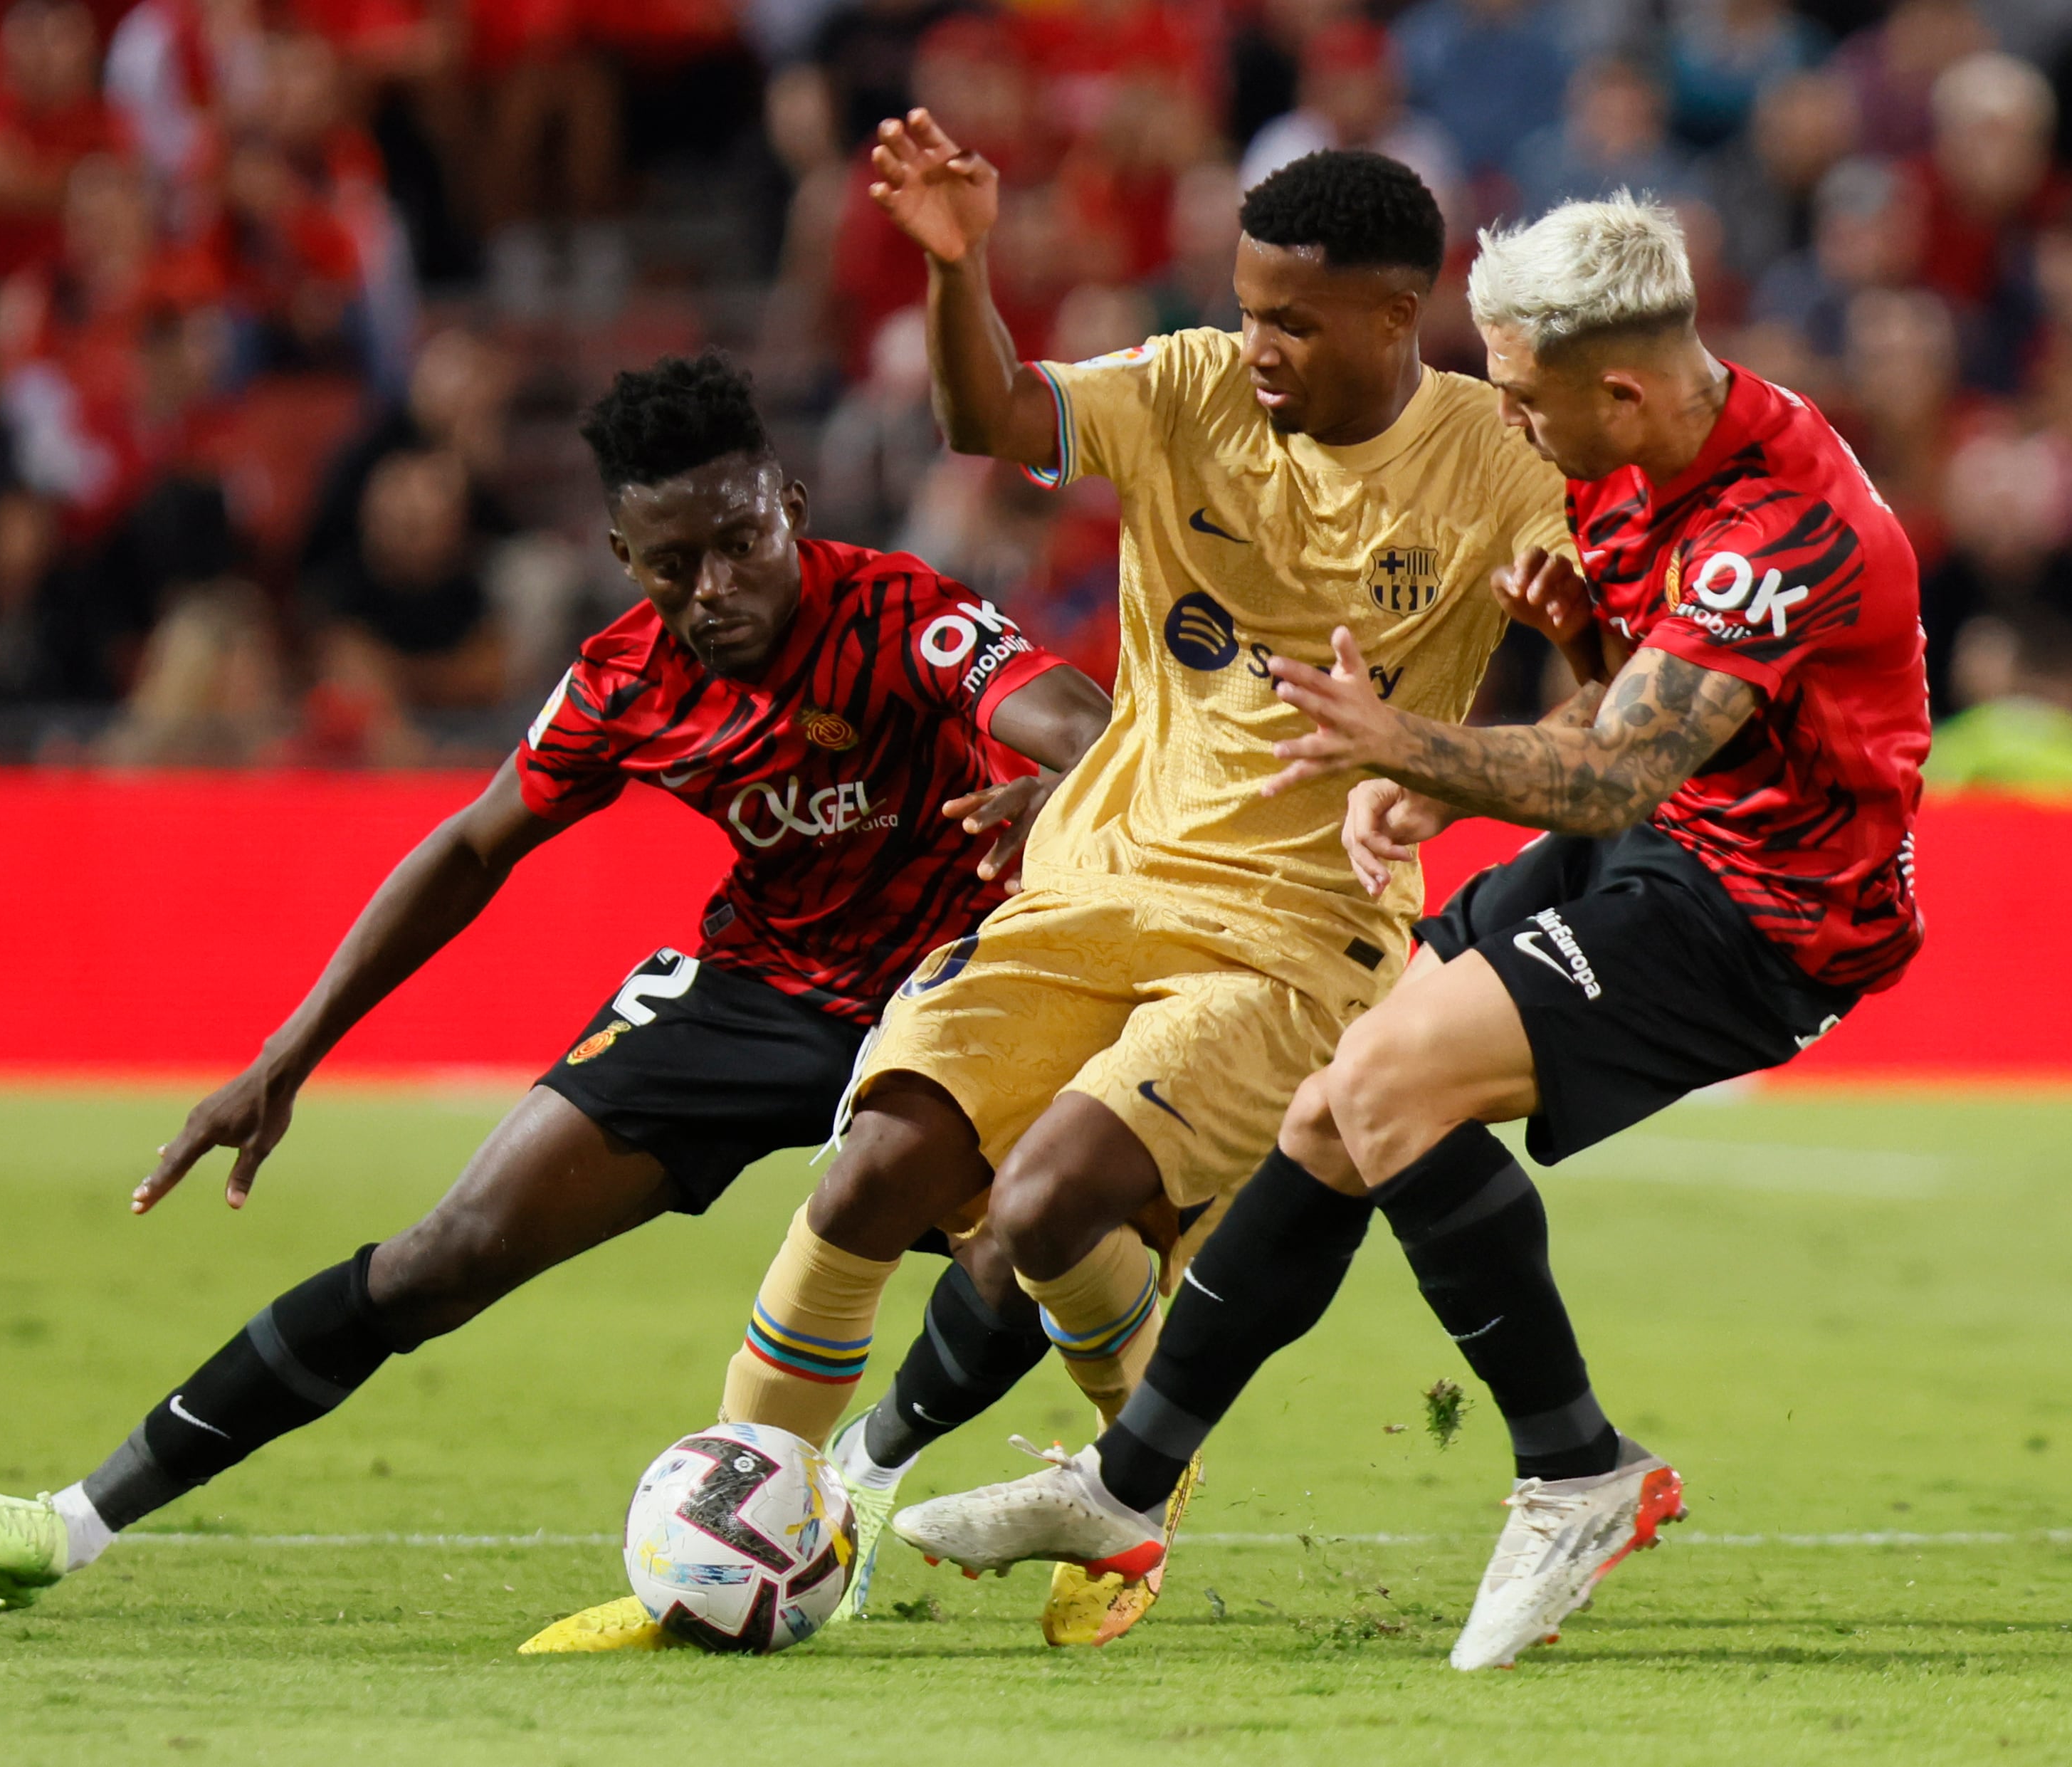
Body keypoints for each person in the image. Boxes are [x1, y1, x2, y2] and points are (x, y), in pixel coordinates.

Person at [535, 128, 1571, 1652]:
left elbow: (1602, 683)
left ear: (1393, 311)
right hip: (1090, 880)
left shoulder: (1496, 455)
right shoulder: (1190, 386)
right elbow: (989, 413)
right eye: (1245, 304)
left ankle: (1119, 1486)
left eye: (1291, 318)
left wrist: (1450, 760)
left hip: (1294, 929)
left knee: (1040, 1200)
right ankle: (732, 1535)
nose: (1256, 342)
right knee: (871, 1166)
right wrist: (960, 266)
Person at [0, 352, 1113, 1617]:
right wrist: (288, 1053)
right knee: (443, 1253)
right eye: (670, 564)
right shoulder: (627, 678)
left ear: (790, 507)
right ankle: (69, 1523)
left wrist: (1055, 787)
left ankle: (871, 1478)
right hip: (755, 989)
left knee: (1037, 1232)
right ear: (622, 554)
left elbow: (1079, 722)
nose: (713, 588)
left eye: (740, 542)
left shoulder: (896, 612)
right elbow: (476, 843)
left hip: (956, 982)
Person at [892, 193, 1931, 1673]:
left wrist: (1406, 744)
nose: (1503, 416)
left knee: (1387, 1080)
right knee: (1328, 1115)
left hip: (1769, 912)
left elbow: (1628, 764)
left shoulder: (1775, 528)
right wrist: (1473, 748)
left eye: (1520, 392)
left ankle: (1578, 1468)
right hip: (1652, 849)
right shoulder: (1633, 455)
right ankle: (1122, 1493)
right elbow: (1619, 710)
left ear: (1616, 387)